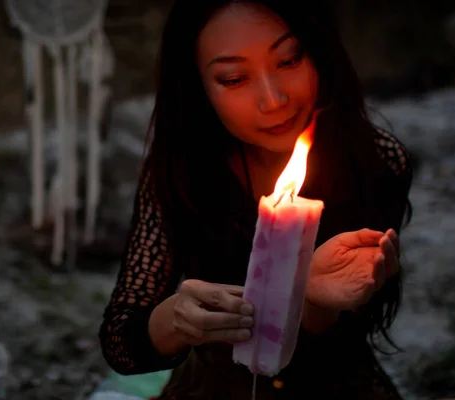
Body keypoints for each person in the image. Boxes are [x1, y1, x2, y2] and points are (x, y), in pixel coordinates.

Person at [99, 0, 414, 398]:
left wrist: (313, 297)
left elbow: (351, 333)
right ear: (198, 86)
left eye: (289, 59)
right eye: (233, 78)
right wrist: (176, 321)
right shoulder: (182, 170)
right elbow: (121, 346)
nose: (273, 99)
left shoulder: (375, 160)